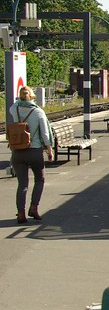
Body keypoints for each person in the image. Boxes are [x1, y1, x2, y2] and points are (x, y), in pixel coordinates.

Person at [9, 86, 54, 223]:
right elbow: (45, 134)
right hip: (34, 151)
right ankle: (34, 208)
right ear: (32, 96)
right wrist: (49, 150)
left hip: (17, 151)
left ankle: (21, 214)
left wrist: (19, 100)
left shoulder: (14, 109)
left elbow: (15, 105)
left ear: (20, 96)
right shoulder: (38, 112)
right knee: (39, 179)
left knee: (22, 184)